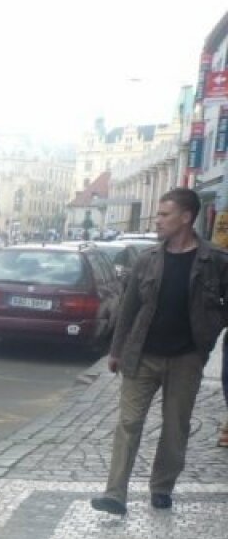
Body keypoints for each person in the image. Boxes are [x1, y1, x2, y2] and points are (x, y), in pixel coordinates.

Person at [91, 188, 228, 515]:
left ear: (185, 217)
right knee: (129, 422)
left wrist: (210, 331)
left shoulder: (214, 261)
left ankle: (162, 487)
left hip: (186, 358)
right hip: (142, 355)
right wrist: (116, 350)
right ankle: (115, 494)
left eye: (165, 215)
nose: (158, 221)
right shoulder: (147, 259)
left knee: (175, 426)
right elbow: (128, 308)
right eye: (159, 215)